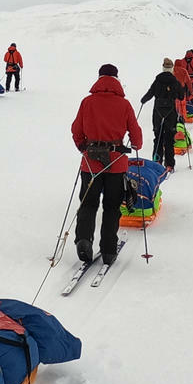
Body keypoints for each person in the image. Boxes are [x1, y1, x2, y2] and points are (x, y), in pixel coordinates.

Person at [70, 63, 143, 266]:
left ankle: (84, 239)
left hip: (90, 164)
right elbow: (135, 135)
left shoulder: (87, 102)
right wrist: (136, 144)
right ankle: (109, 250)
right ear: (116, 79)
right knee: (111, 207)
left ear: (99, 78)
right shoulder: (124, 104)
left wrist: (82, 147)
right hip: (116, 165)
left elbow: (76, 129)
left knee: (88, 203)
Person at [139, 58, 186, 168]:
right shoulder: (175, 82)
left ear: (163, 68)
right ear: (172, 69)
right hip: (171, 113)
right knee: (169, 139)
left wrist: (143, 100)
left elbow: (150, 93)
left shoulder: (157, 80)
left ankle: (157, 162)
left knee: (158, 137)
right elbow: (181, 96)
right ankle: (169, 165)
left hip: (158, 112)